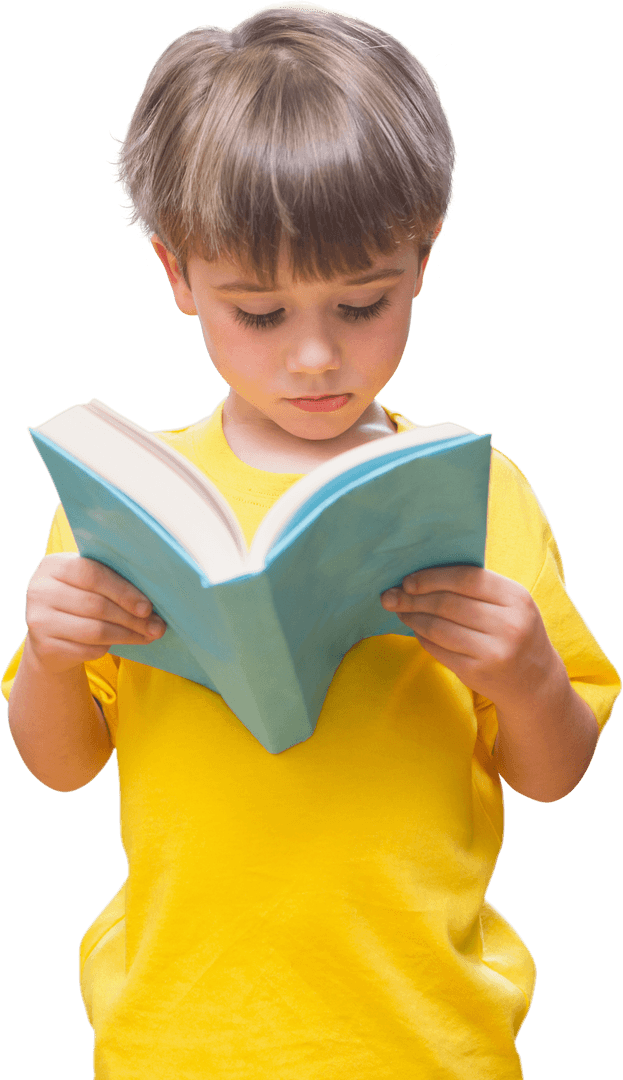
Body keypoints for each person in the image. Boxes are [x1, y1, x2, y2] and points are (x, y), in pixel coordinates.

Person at [3, 3, 620, 1077]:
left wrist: (526, 678)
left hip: (426, 1041)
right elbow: (60, 769)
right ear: (177, 274)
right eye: (259, 312)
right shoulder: (124, 503)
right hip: (174, 1037)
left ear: (421, 259)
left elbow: (554, 774)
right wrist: (51, 654)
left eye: (362, 301)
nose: (315, 358)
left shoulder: (483, 494)